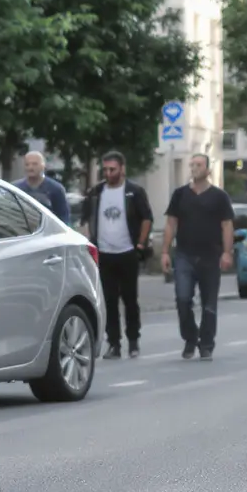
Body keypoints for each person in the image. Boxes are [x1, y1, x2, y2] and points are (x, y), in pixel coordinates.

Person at [160, 153, 235, 360]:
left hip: (211, 256)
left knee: (209, 303)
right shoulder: (180, 195)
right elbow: (171, 223)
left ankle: (207, 344)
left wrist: (227, 252)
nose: (194, 168)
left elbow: (227, 225)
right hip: (184, 255)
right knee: (183, 300)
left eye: (199, 164)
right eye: (192, 164)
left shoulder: (219, 197)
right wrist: (165, 251)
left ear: (208, 170)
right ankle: (191, 337)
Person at [81, 151, 153, 359]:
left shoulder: (134, 192)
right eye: (105, 169)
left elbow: (147, 217)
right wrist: (90, 241)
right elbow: (86, 219)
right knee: (109, 301)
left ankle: (133, 340)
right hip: (104, 253)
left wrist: (140, 244)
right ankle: (113, 342)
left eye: (112, 169)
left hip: (127, 252)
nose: (108, 173)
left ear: (122, 169)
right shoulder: (96, 193)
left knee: (130, 299)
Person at [14, 151, 71, 223]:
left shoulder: (56, 189)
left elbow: (64, 217)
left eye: (34, 164)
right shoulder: (15, 189)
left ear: (43, 166)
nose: (30, 167)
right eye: (27, 164)